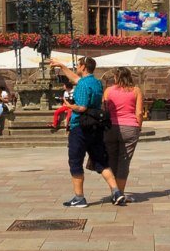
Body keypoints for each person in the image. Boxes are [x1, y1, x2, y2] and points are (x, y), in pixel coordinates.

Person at [58, 56, 122, 208]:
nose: (76, 68)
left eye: (78, 65)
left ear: (83, 67)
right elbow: (76, 79)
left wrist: (68, 105)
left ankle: (79, 197)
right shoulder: (96, 82)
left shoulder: (81, 86)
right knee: (100, 160)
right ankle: (116, 191)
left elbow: (82, 107)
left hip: (80, 126)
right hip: (95, 126)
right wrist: (61, 66)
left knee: (75, 161)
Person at [103, 67, 143, 205]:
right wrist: (139, 127)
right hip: (130, 128)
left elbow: (105, 110)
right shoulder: (136, 90)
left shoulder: (108, 91)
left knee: (112, 160)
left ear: (116, 77)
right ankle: (120, 194)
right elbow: (139, 113)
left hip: (110, 128)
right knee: (124, 162)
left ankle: (115, 193)